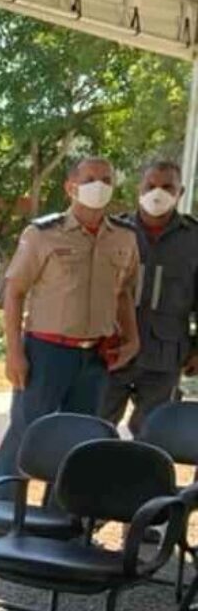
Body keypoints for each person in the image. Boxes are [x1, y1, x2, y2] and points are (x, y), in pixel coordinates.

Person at [0, 157, 140, 477]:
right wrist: (14, 353)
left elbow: (124, 292)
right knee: (25, 433)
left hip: (96, 357)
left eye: (105, 179)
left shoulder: (125, 237)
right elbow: (14, 292)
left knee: (79, 441)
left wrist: (132, 339)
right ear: (70, 187)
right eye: (89, 179)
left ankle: (61, 520)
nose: (97, 186)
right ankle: (0, 514)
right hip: (46, 352)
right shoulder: (43, 234)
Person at [102, 159, 198, 434]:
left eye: (168, 187)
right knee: (94, 427)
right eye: (151, 185)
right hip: (112, 349)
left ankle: (143, 478)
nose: (158, 193)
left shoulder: (193, 238)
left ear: (180, 192)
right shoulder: (114, 231)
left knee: (153, 433)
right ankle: (84, 477)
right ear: (139, 189)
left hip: (165, 354)